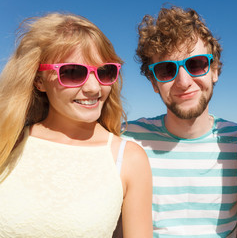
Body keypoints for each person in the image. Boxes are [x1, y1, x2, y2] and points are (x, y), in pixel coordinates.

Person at [0, 13, 152, 237]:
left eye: (104, 72)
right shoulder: (7, 142)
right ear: (39, 80)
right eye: (72, 73)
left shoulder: (128, 159)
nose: (93, 87)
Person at [122, 6, 237, 237]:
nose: (183, 81)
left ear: (214, 71)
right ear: (154, 83)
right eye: (165, 70)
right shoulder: (128, 140)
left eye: (196, 64)